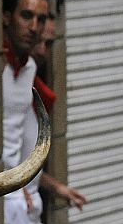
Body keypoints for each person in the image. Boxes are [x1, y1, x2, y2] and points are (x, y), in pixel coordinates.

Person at [2, 0, 55, 224]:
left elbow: (23, 139)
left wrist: (27, 189)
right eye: (26, 16)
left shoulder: (30, 69)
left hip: (22, 199)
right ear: (7, 16)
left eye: (41, 19)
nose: (34, 27)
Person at [32, 14, 88, 212]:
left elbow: (24, 161)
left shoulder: (31, 84)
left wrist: (56, 187)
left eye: (47, 43)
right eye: (37, 40)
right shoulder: (9, 79)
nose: (41, 50)